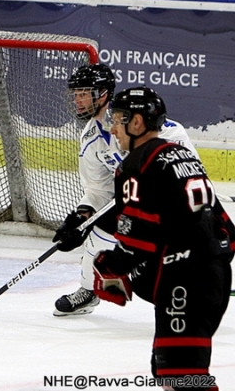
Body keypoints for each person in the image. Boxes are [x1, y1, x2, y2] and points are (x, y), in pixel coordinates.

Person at [93, 86, 232, 390]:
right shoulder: (180, 154)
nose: (114, 128)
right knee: (171, 373)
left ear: (138, 122)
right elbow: (226, 230)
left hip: (187, 280)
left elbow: (137, 242)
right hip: (213, 272)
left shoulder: (136, 164)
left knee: (184, 379)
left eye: (118, 119)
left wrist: (108, 266)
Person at [51, 63, 198, 316]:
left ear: (104, 94)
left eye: (84, 93)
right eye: (75, 94)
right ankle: (89, 291)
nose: (77, 100)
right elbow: (98, 189)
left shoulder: (168, 132)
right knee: (97, 237)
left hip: (171, 209)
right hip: (133, 205)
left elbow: (191, 176)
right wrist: (81, 218)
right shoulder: (91, 139)